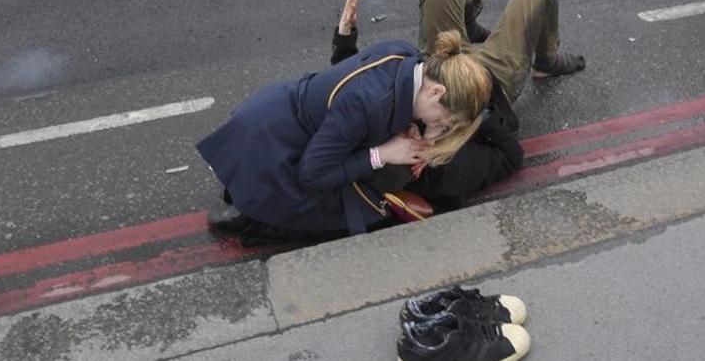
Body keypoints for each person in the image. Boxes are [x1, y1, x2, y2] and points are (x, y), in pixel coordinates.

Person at [198, 29, 492, 244]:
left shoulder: (407, 55)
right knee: (363, 217)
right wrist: (383, 155)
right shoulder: (367, 103)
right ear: (436, 91)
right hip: (274, 151)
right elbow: (311, 175)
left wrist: (413, 127)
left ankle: (245, 193)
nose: (436, 127)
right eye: (442, 120)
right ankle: (254, 217)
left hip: (277, 117)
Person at [331, 0, 585, 210]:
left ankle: (467, 26)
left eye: (403, 137)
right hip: (492, 78)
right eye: (415, 144)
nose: (412, 133)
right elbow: (511, 156)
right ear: (418, 165)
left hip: (442, 61)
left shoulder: (381, 127)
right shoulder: (451, 174)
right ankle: (546, 57)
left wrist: (345, 35)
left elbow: (352, 90)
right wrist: (479, 111)